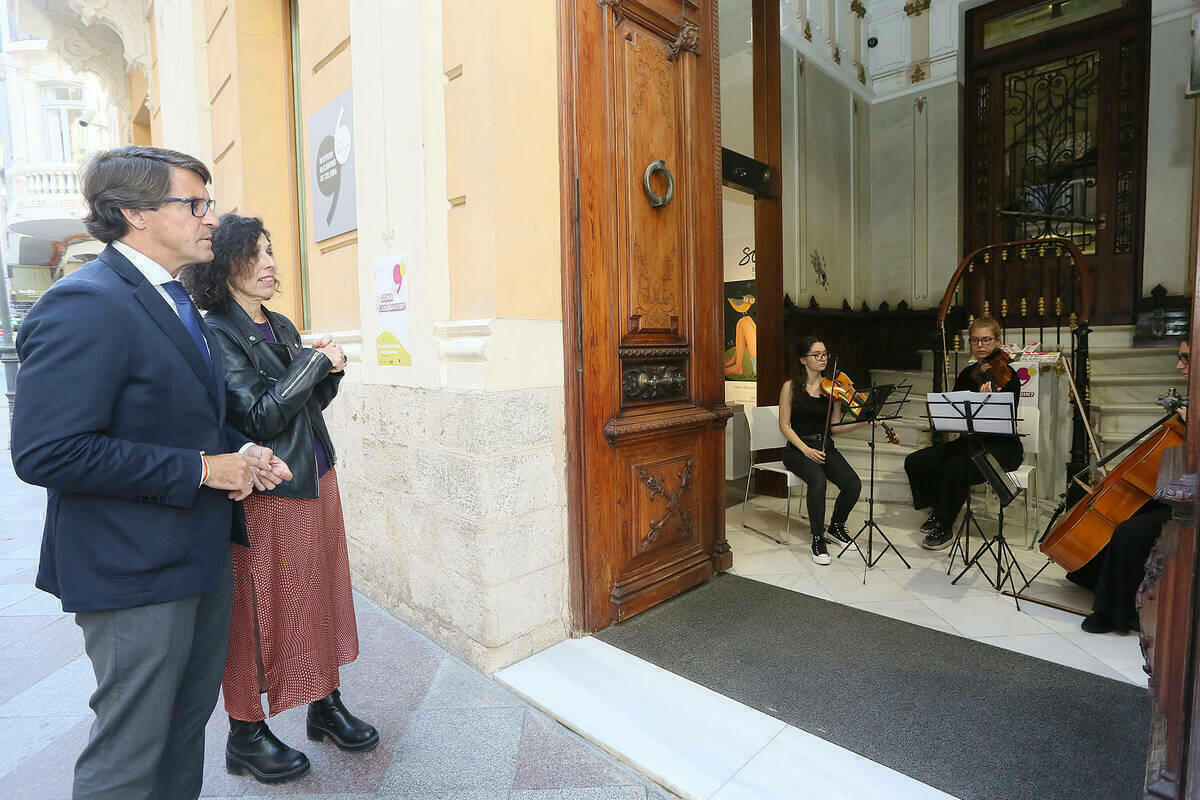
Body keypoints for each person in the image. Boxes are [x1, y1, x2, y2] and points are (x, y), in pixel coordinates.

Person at [10, 146, 291, 800]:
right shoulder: (86, 302)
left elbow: (173, 416)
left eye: (209, 202)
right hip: (130, 571)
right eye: (193, 204)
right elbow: (47, 451)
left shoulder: (171, 297)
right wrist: (201, 468)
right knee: (130, 756)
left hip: (193, 557)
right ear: (134, 212)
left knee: (181, 730)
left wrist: (238, 455)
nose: (211, 219)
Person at [182, 214, 375, 784]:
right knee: (256, 610)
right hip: (266, 495)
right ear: (224, 265)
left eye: (271, 252)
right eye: (255, 254)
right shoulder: (215, 330)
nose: (270, 264)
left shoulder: (282, 324)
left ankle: (325, 705)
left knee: (321, 596)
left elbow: (301, 409)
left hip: (317, 480)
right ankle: (244, 733)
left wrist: (325, 373)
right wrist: (314, 363)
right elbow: (259, 415)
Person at [1073, 339, 1189, 635]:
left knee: (1129, 531)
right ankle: (1100, 581)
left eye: (1186, 359)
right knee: (1122, 514)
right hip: (1176, 489)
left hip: (1190, 501)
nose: (1179, 366)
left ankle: (1114, 614)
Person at [904, 316, 1023, 550]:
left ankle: (945, 525)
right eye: (975, 340)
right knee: (916, 461)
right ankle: (938, 509)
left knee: (957, 466)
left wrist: (987, 400)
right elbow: (955, 411)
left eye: (986, 340)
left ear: (997, 341)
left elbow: (1003, 422)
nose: (980, 345)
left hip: (1002, 447)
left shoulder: (1009, 377)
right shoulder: (968, 374)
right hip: (970, 442)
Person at [778, 336, 870, 565]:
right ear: (803, 359)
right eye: (816, 355)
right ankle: (818, 537)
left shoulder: (833, 389)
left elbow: (835, 428)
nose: (823, 359)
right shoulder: (790, 387)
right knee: (817, 480)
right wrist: (805, 449)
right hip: (797, 450)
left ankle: (836, 527)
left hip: (825, 447)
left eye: (825, 354)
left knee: (853, 483)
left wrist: (865, 421)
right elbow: (784, 426)